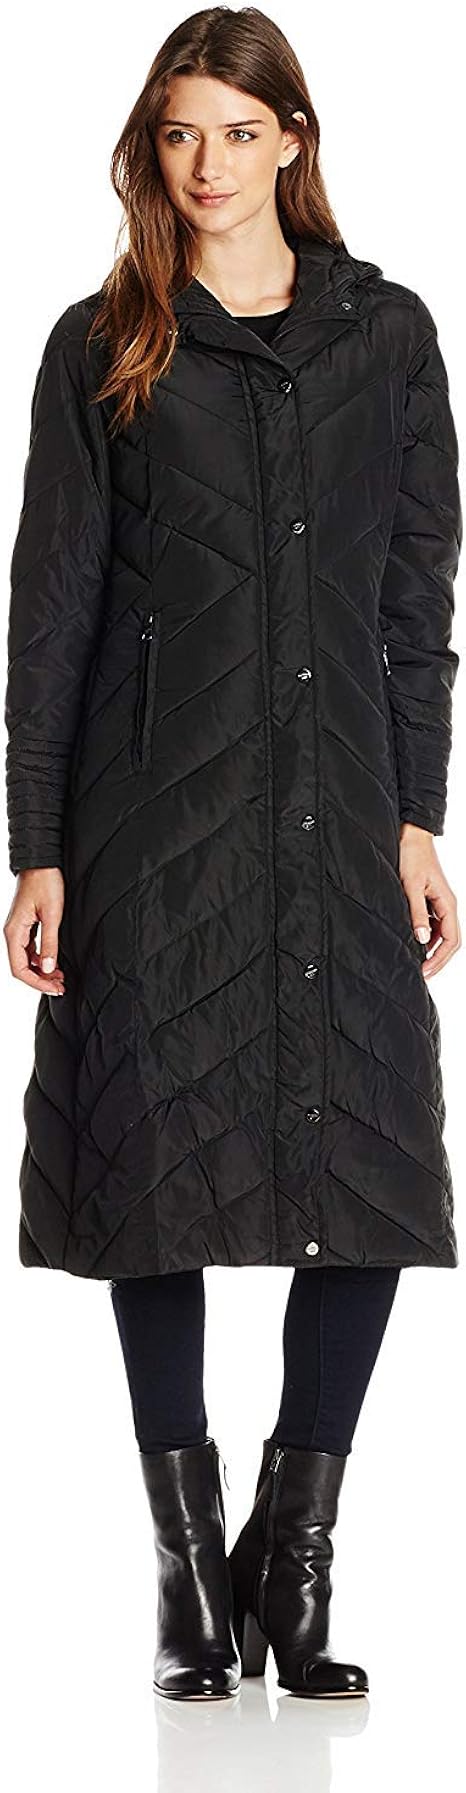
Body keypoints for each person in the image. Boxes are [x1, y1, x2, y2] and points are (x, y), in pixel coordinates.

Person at [4, 7, 462, 1705]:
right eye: (179, 133)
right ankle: (187, 1570)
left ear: (292, 139)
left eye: (238, 130)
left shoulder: (386, 335)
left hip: (338, 805)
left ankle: (296, 1546)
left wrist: (415, 816)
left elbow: (414, 598)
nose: (207, 164)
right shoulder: (102, 340)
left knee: (370, 1163)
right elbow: (50, 608)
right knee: (152, 1169)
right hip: (149, 817)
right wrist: (37, 845)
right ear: (152, 148)